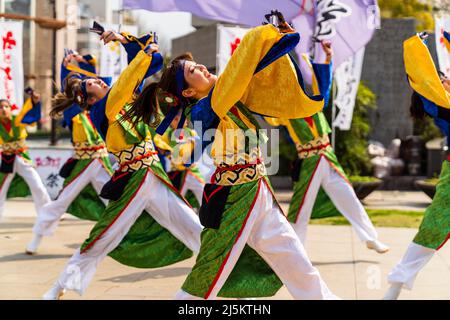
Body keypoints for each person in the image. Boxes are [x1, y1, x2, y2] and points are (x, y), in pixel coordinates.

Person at [127, 13, 339, 300]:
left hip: (258, 190)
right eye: (194, 71)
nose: (202, 67)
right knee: (206, 277)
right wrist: (263, 32)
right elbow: (239, 68)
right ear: (189, 91)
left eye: (197, 64)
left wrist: (283, 43)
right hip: (235, 196)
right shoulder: (204, 109)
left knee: (298, 264)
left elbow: (274, 84)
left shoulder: (230, 96)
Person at [43, 30, 202, 299]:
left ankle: (228, 274)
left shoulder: (125, 97)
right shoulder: (102, 109)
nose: (95, 79)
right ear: (89, 99)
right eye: (90, 83)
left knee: (193, 225)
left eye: (93, 78)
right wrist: (141, 50)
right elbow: (131, 75)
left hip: (153, 173)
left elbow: (147, 65)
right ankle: (58, 287)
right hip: (133, 180)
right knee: (103, 237)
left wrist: (126, 40)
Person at [265, 41, 389, 254]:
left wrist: (327, 57)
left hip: (328, 157)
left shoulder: (314, 102)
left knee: (349, 198)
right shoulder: (285, 112)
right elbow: (269, 115)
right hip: (309, 161)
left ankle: (370, 238)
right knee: (301, 208)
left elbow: (323, 84)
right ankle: (295, 251)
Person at [26, 51, 114, 255]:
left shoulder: (97, 108)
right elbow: (70, 84)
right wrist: (66, 66)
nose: (90, 84)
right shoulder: (73, 111)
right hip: (83, 163)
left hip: (100, 161)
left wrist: (88, 62)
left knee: (115, 203)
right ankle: (36, 239)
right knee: (61, 202)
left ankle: (120, 240)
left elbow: (99, 82)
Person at [384, 32, 450, 300]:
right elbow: (423, 82)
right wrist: (416, 48)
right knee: (432, 228)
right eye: (444, 80)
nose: (446, 79)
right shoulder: (442, 108)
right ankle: (395, 287)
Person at [0, 93, 51, 220]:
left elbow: (29, 114)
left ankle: (48, 213)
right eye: (0, 107)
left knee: (37, 185)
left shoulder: (17, 120)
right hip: (6, 158)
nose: (4, 109)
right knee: (1, 189)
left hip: (22, 157)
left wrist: (33, 101)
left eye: (6, 106)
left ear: (10, 109)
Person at [160, 110, 205, 208]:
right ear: (171, 121)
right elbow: (159, 144)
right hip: (177, 173)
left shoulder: (192, 133)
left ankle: (208, 220)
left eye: (181, 119)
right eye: (175, 119)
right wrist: (169, 153)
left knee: (203, 195)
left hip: (193, 171)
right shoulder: (167, 134)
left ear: (186, 121)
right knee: (175, 201)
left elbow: (200, 147)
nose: (178, 121)